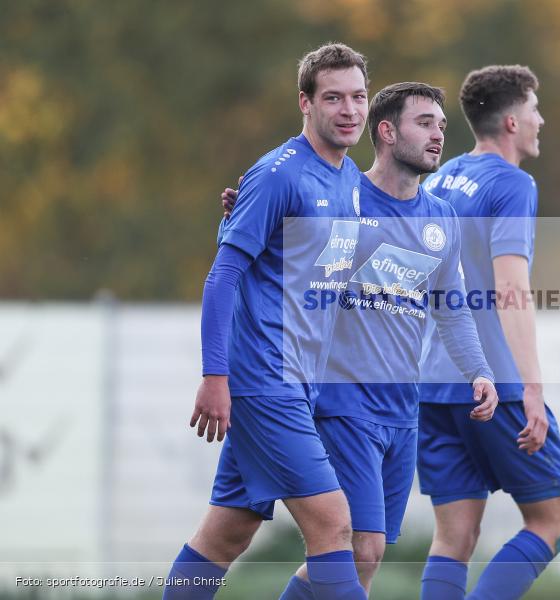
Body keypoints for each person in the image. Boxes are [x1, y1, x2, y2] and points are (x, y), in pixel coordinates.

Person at [224, 82, 500, 598]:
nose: (439, 134)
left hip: (402, 409)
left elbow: (450, 305)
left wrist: (478, 370)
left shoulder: (441, 217)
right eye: (425, 123)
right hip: (342, 402)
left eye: (442, 124)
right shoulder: (341, 194)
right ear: (387, 131)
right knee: (352, 547)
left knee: (364, 559)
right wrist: (243, 211)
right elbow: (282, 237)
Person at [162, 43, 370, 600]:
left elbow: (300, 274)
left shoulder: (349, 178)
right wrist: (215, 376)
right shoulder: (278, 174)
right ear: (305, 103)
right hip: (263, 381)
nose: (349, 109)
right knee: (334, 525)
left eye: (358, 96)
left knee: (225, 536)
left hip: (297, 385)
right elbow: (222, 277)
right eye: (333, 98)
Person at [416, 65, 560, 600]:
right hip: (495, 381)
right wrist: (532, 386)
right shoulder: (512, 184)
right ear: (511, 121)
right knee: (554, 521)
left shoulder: (438, 178)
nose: (541, 120)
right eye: (534, 110)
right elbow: (510, 290)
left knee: (454, 537)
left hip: (434, 383)